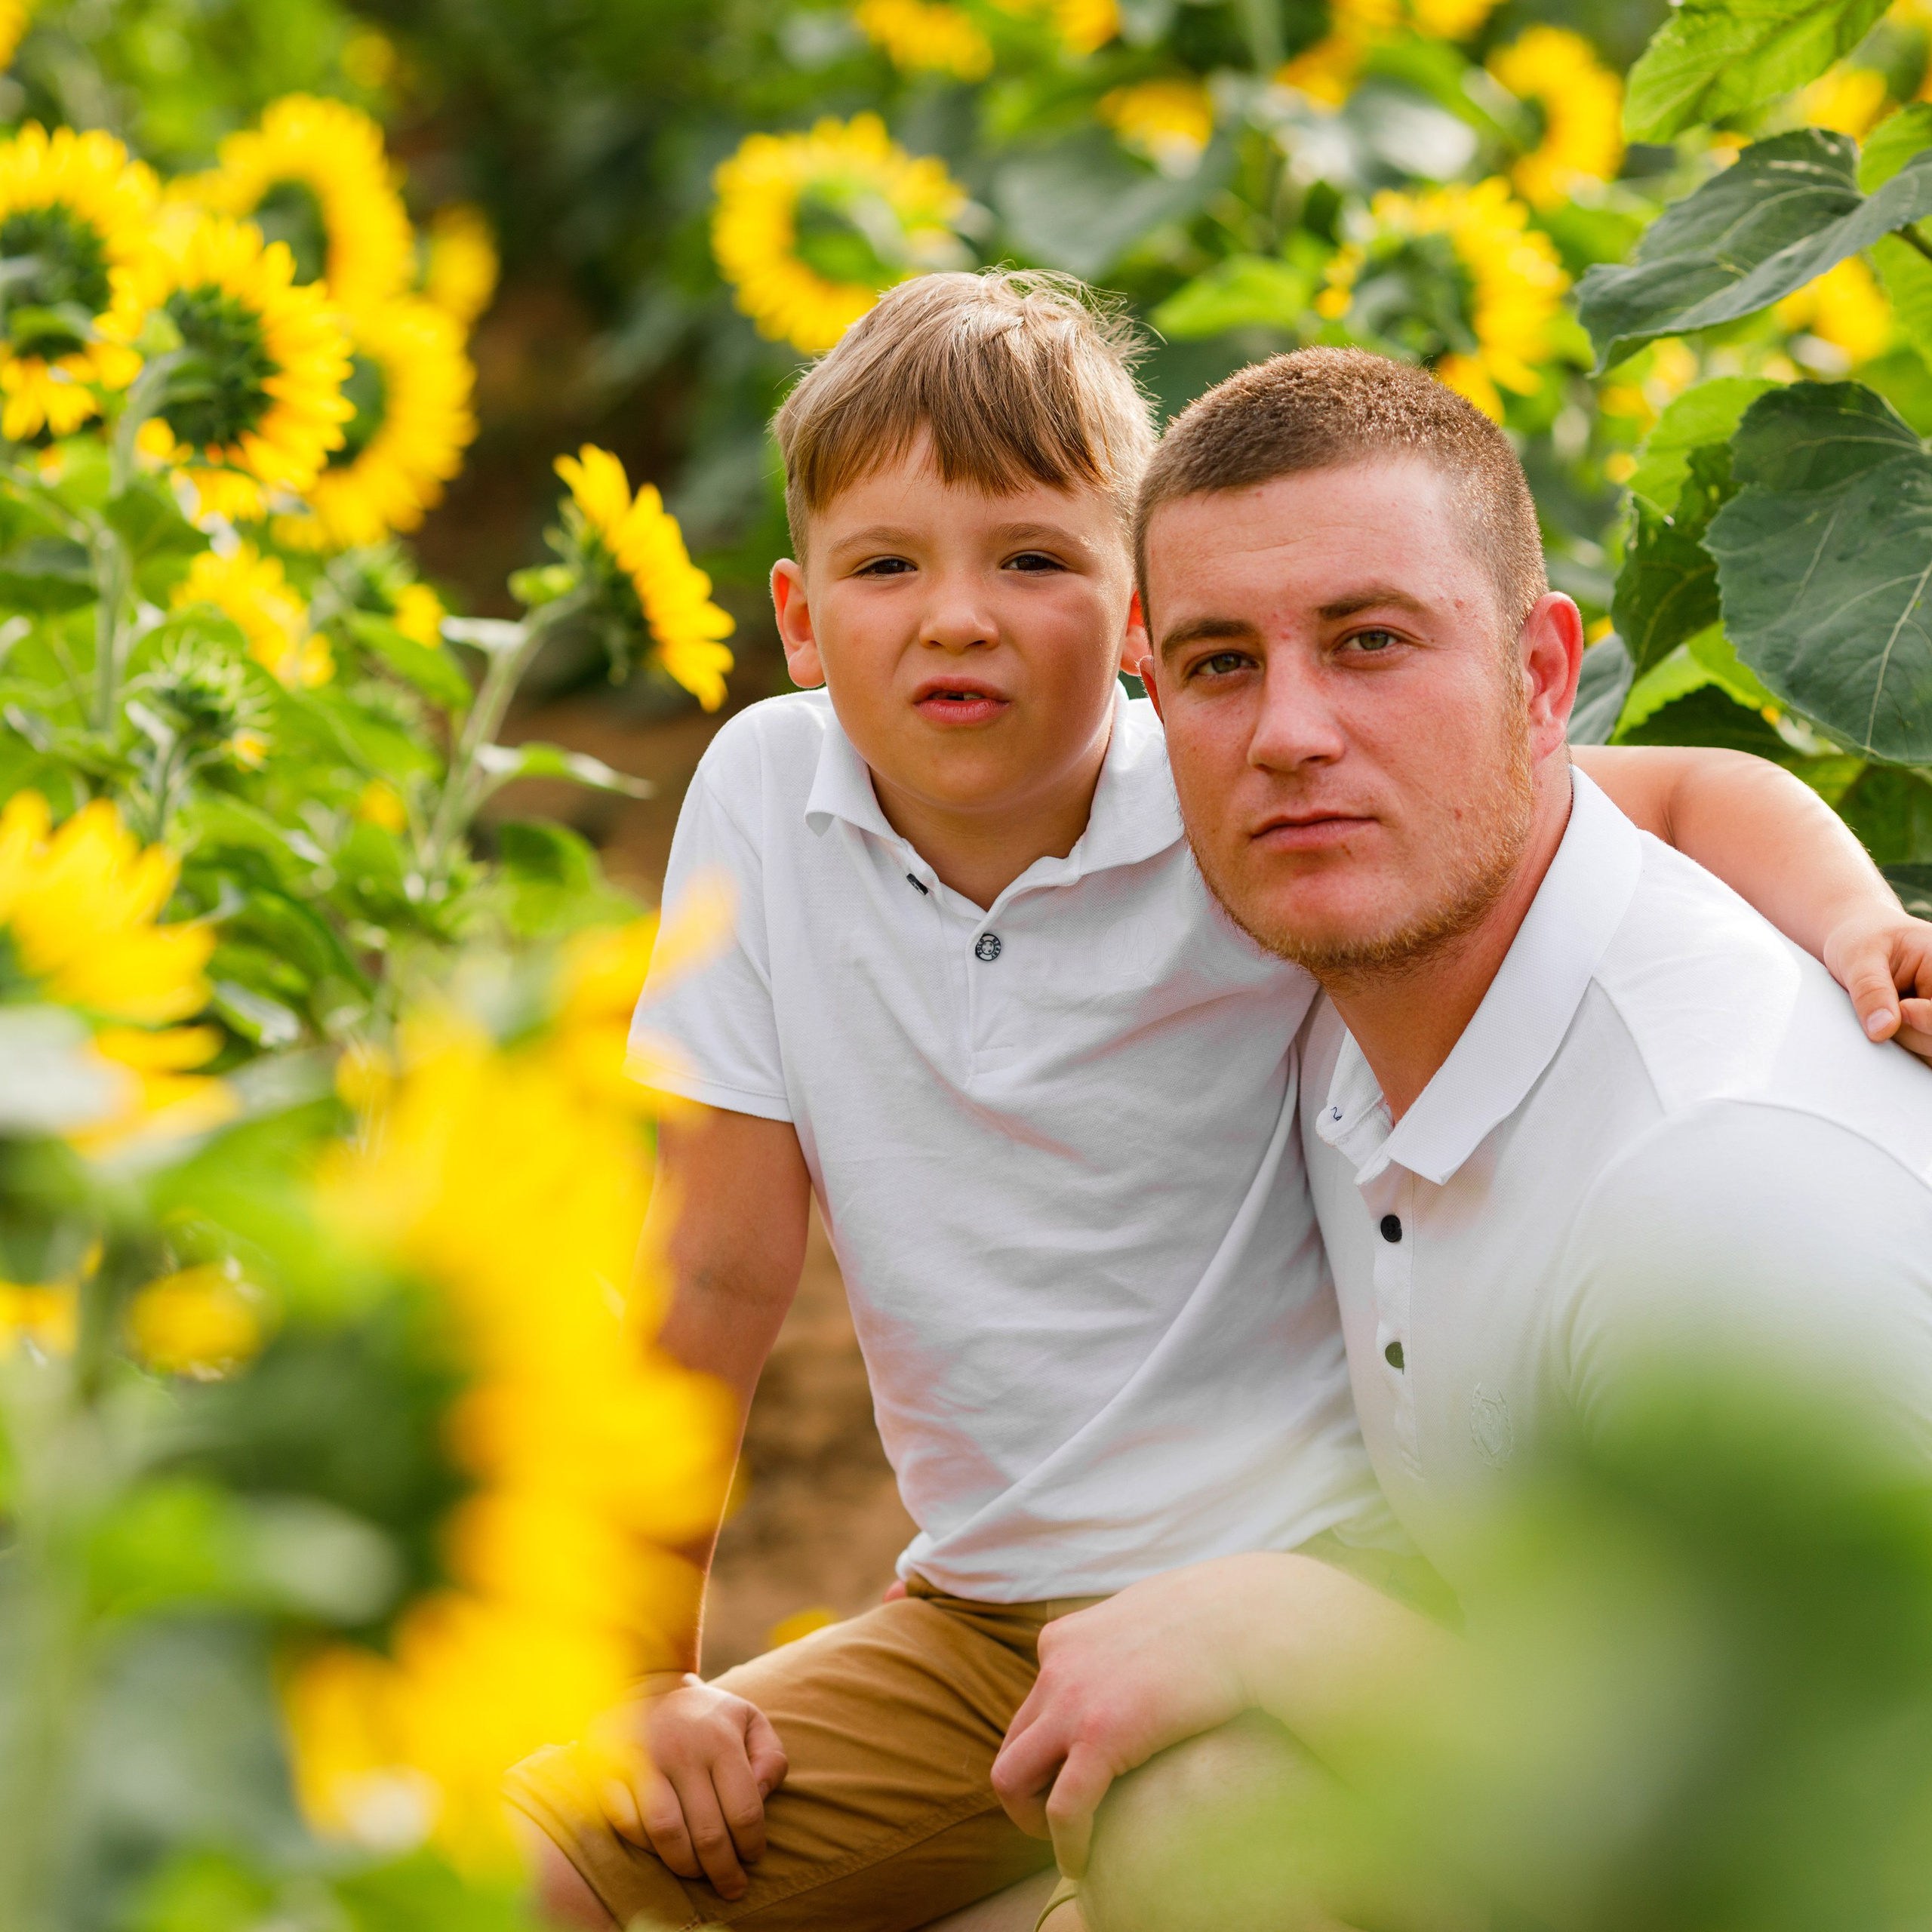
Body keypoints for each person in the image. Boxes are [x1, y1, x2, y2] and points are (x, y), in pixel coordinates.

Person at [508, 281, 1932, 1932]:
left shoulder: (1237, 812)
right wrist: (639, 1675)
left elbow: (1677, 788)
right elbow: (708, 1274)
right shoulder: (799, 794)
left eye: (1031, 559)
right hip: (978, 1613)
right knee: (516, 1861)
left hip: (1310, 1569)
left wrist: (1858, 926)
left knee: (1187, 1840)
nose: (957, 617)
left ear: (1117, 623)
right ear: (801, 617)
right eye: (887, 563)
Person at [988, 347, 1932, 1932]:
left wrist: (1281, 1627)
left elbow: (1846, 1833)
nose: (1289, 731)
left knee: (1210, 1812)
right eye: (1218, 665)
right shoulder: (1340, 991)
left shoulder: (1716, 1181)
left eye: (1370, 641)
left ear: (1542, 675)